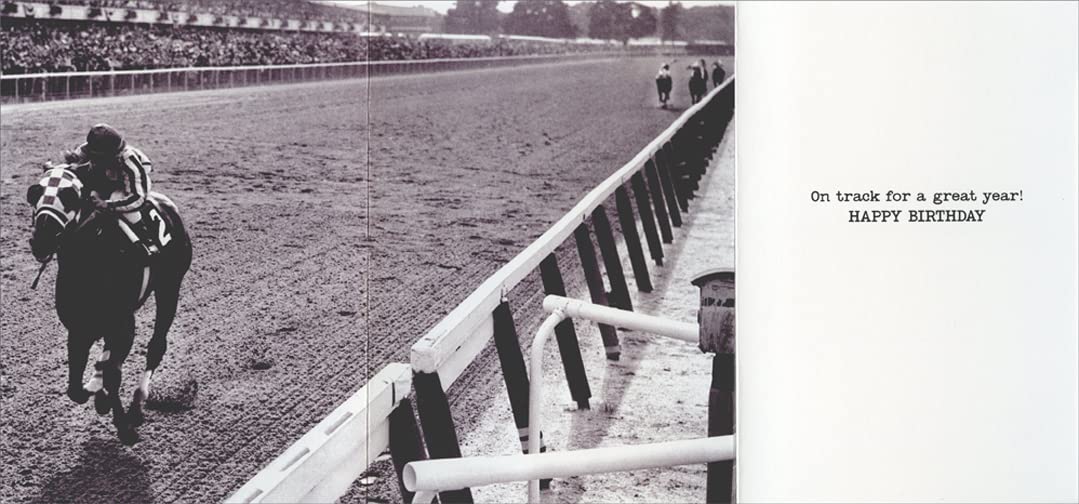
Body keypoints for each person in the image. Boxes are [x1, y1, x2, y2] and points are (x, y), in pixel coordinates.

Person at [62, 123, 160, 258]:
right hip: (105, 177)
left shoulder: (128, 160)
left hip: (130, 184)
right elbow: (71, 169)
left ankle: (146, 240)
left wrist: (107, 204)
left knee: (115, 198)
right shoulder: (86, 150)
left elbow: (138, 197)